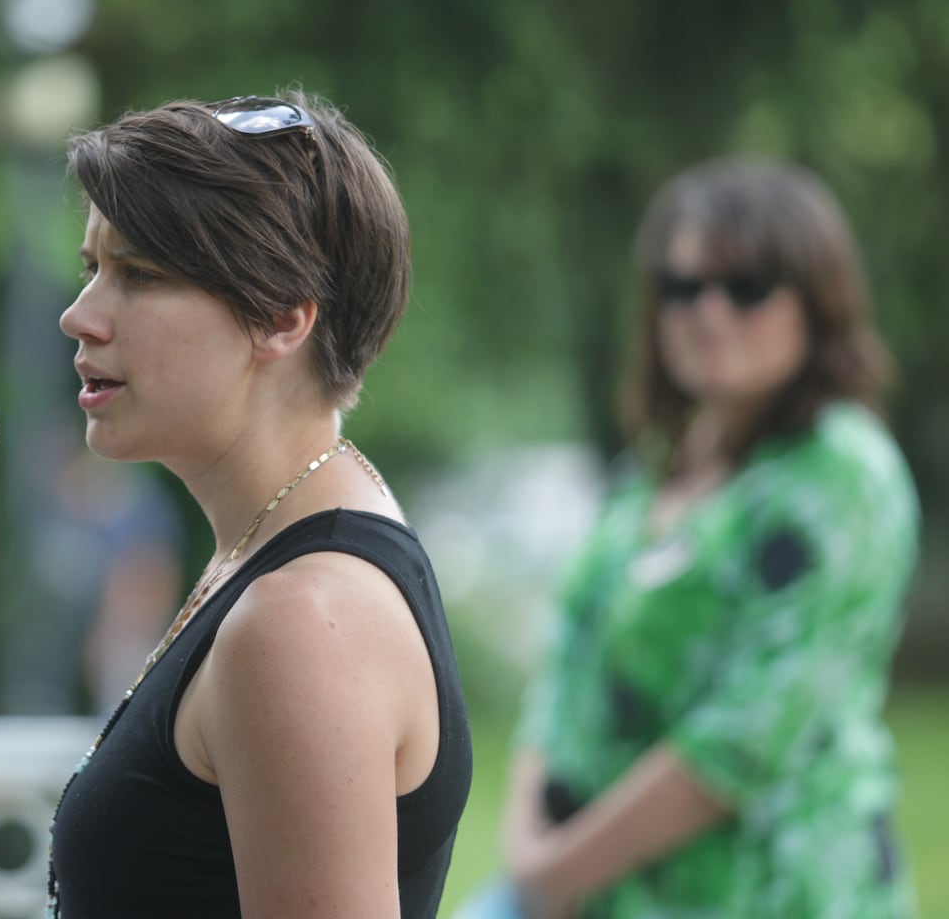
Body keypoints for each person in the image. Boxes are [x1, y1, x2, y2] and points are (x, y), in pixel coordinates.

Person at [45, 91, 473, 918]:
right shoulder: (276, 547)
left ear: (280, 318)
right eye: (91, 269)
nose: (80, 315)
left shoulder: (303, 619)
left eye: (139, 274)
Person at [469, 157, 920, 918]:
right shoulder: (655, 465)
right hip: (597, 887)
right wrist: (527, 852)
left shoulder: (842, 473)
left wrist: (554, 875)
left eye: (746, 288)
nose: (708, 312)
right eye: (682, 288)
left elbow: (747, 736)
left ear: (817, 300)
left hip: (771, 895)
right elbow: (567, 662)